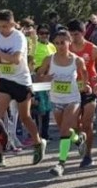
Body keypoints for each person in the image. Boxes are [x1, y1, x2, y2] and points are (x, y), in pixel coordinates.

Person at [0, 9, 46, 168]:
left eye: (5, 26)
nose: (2, 30)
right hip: (4, 79)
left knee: (25, 117)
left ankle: (38, 143)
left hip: (21, 81)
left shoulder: (19, 37)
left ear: (12, 23)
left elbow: (16, 59)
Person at [36, 30, 90, 177]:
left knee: (64, 130)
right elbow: (39, 75)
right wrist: (45, 78)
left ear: (69, 42)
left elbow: (84, 73)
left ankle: (61, 164)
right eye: (57, 43)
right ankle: (78, 139)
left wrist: (85, 85)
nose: (60, 46)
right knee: (64, 130)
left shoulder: (77, 60)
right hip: (56, 99)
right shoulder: (49, 59)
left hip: (73, 99)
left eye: (63, 43)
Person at [67, 20, 97, 167]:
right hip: (72, 90)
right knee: (73, 125)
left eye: (76, 34)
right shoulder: (66, 48)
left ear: (83, 33)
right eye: (71, 34)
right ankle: (79, 140)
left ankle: (88, 156)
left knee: (87, 123)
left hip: (90, 89)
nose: (73, 37)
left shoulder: (93, 49)